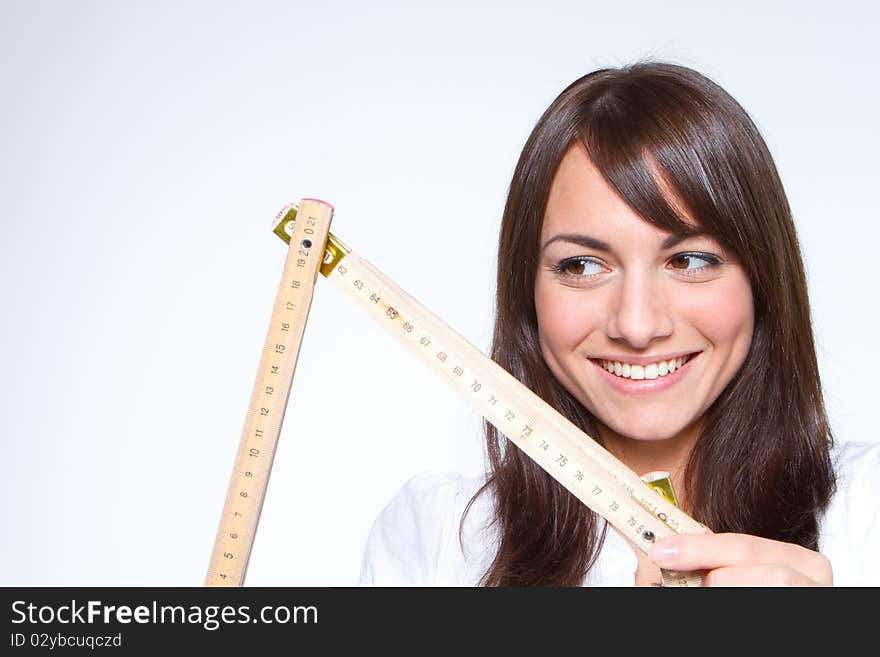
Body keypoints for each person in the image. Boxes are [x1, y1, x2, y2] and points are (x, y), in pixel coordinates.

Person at [356, 62, 880, 586]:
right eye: (582, 266)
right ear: (527, 292)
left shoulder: (868, 511)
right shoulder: (436, 536)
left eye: (690, 260)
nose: (636, 324)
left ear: (762, 279)